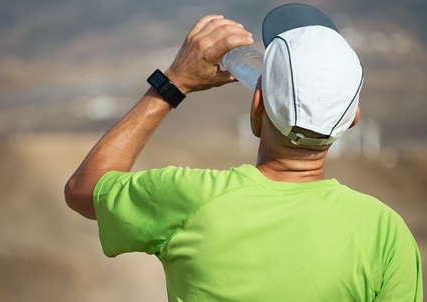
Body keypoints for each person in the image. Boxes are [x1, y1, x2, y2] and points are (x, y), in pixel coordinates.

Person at [65, 4, 423, 301]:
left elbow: (84, 188)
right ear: (352, 120)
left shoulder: (188, 200)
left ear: (257, 105)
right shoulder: (386, 235)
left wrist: (174, 82)